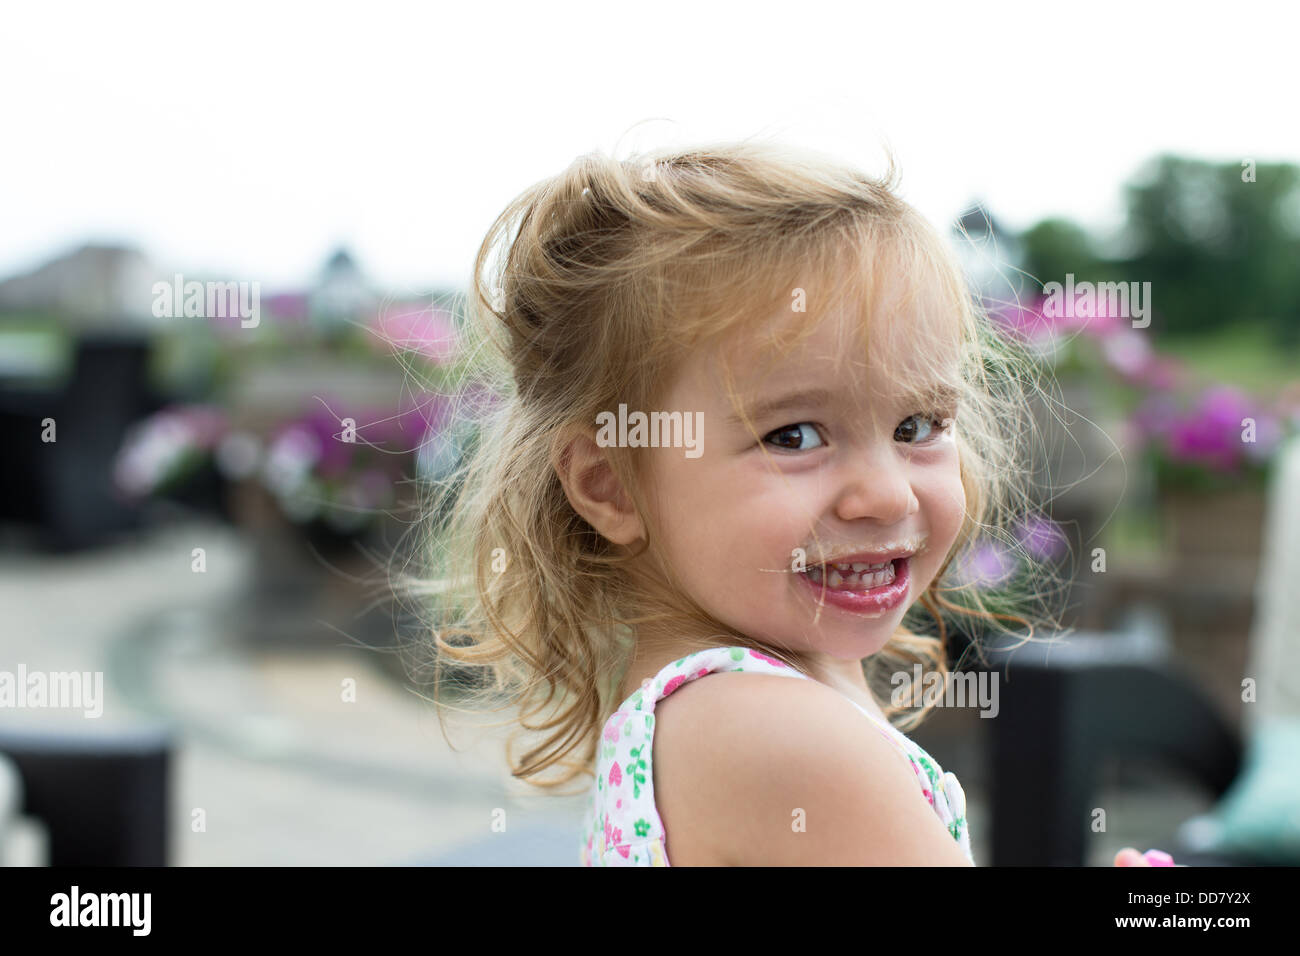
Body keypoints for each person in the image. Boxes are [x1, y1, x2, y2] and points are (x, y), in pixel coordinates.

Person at [421, 138, 1151, 866]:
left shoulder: (719, 706)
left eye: (918, 426)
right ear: (608, 484)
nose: (886, 493)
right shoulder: (781, 736)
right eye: (794, 436)